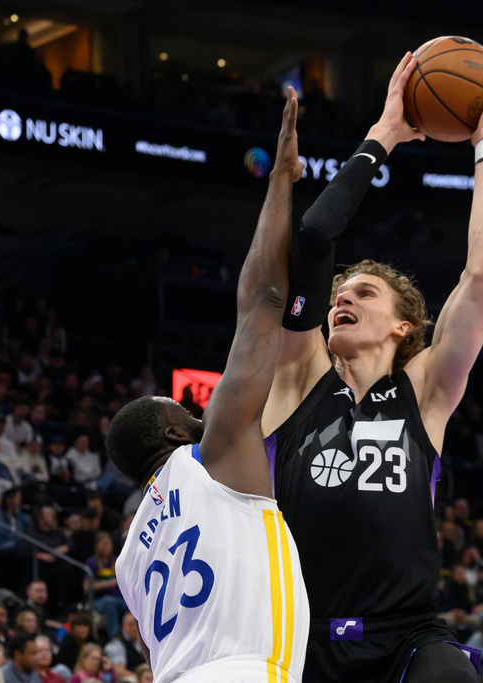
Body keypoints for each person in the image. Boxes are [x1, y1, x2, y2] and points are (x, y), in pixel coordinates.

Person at [260, 53, 483, 683]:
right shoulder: (295, 381)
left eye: (365, 293)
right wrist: (385, 135)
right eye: (340, 295)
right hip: (303, 635)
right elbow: (315, 238)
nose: (343, 298)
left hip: (409, 634)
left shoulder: (425, 390)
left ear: (405, 327)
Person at [108, 87, 308, 682]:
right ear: (174, 430)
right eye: (183, 408)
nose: (197, 411)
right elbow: (265, 299)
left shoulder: (128, 559)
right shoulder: (212, 453)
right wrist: (283, 178)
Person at [83, 532, 125, 641]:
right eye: (102, 543)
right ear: (96, 545)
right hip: (98, 600)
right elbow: (87, 586)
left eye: (108, 543)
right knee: (109, 602)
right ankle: (115, 637)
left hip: (119, 599)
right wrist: (110, 583)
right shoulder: (92, 562)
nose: (106, 546)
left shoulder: (118, 561)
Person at [103, 612, 145, 682]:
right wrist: (140, 679)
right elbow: (119, 672)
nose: (134, 628)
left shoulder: (144, 640)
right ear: (123, 626)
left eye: (136, 624)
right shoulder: (117, 644)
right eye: (130, 625)